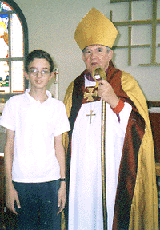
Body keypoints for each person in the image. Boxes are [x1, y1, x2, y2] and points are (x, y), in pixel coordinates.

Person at [63, 8, 158, 230]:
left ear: (109, 54)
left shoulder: (125, 82)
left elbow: (139, 128)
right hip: (80, 170)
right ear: (82, 56)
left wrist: (115, 101)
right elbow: (64, 132)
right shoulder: (73, 88)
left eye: (99, 50)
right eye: (87, 51)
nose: (93, 56)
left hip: (114, 166)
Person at [1, 49, 70, 230]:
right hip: (22, 181)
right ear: (26, 74)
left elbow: (59, 147)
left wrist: (62, 184)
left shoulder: (58, 107)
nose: (39, 76)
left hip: (50, 181)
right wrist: (9, 185)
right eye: (34, 70)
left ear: (51, 75)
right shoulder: (14, 104)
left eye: (44, 71)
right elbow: (9, 146)